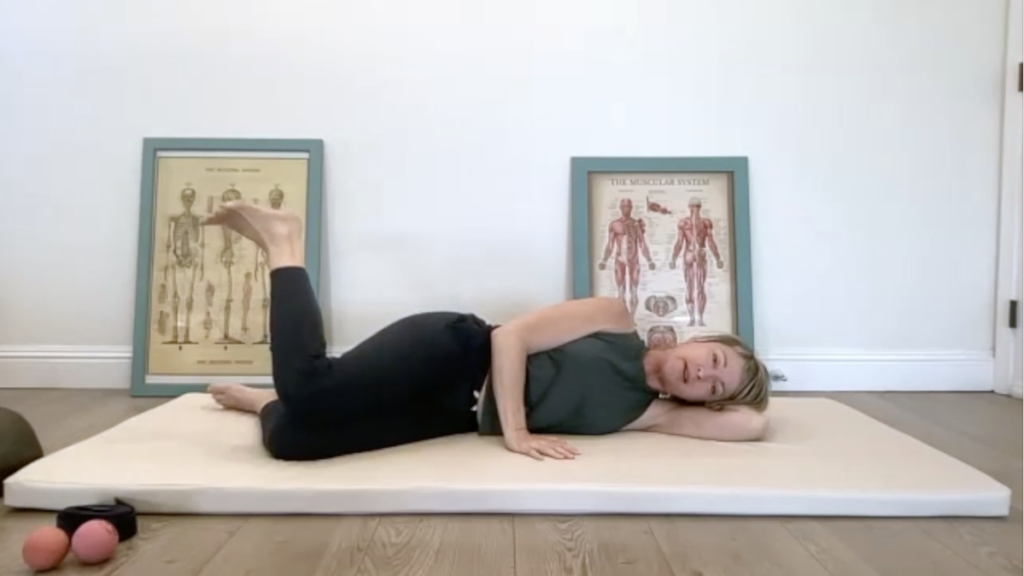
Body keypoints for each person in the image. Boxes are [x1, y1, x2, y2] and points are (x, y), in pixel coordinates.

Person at [203, 202, 772, 462]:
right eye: (715, 361)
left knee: (294, 441)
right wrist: (517, 435)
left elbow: (752, 424)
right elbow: (511, 338)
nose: (704, 374)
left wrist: (742, 392)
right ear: (701, 338)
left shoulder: (654, 415)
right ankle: (283, 241)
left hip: (452, 415)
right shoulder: (615, 319)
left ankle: (263, 404)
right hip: (454, 352)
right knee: (311, 387)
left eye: (714, 388)